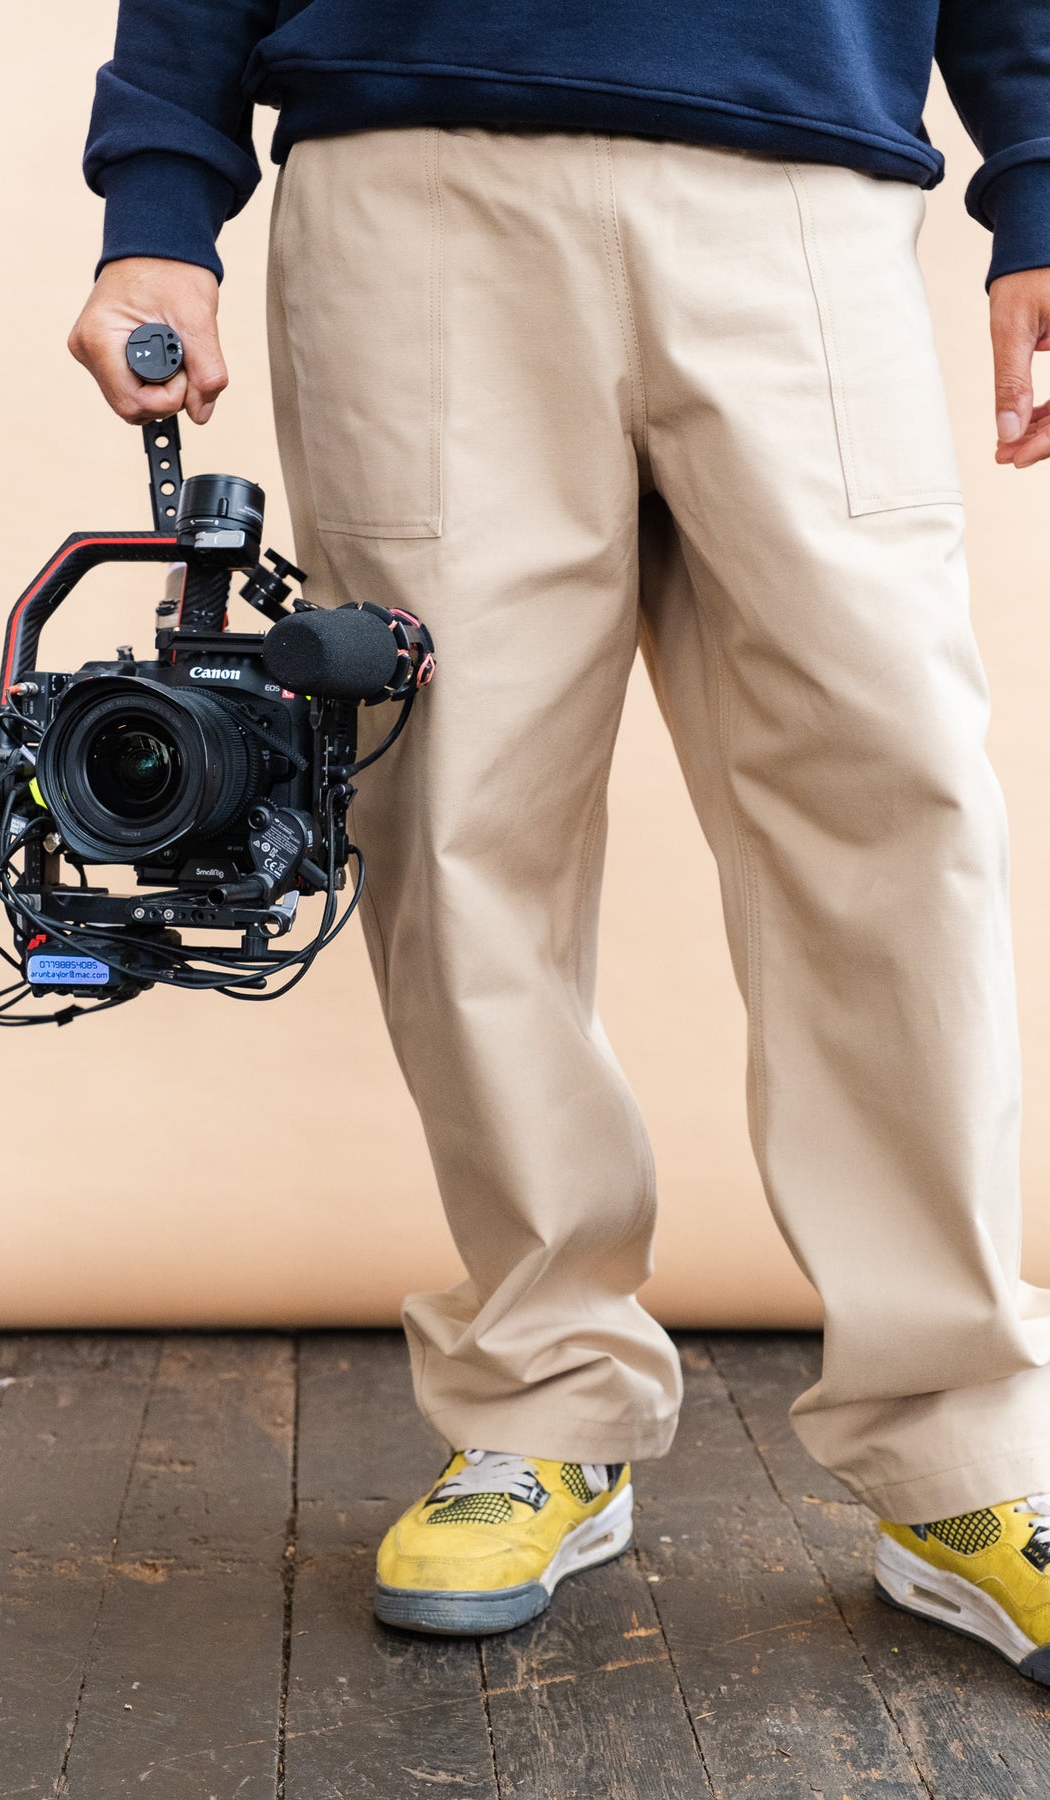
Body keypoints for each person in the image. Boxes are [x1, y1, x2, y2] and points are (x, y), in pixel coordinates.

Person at [71, 0, 1050, 1671]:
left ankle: (966, 1444)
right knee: (454, 812)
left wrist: (1037, 174)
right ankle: (542, 1390)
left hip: (804, 178)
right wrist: (160, 193)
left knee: (898, 800)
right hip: (411, 179)